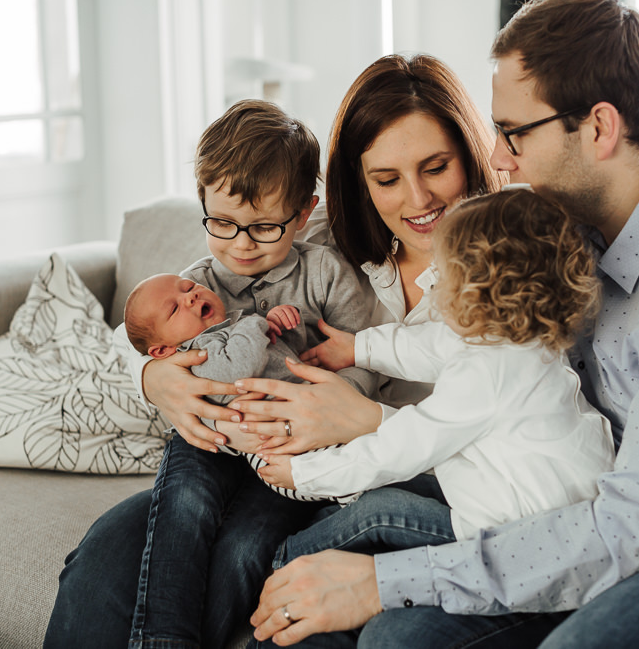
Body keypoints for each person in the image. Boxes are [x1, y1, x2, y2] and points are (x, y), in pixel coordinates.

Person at [236, 0, 639, 647]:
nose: (497, 158)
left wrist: (384, 579)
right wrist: (165, 367)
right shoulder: (556, 224)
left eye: (514, 132)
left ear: (600, 128)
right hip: (579, 504)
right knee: (399, 636)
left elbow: (628, 528)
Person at [44, 55, 501, 648]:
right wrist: (155, 375)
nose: (416, 198)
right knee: (105, 554)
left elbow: (507, 418)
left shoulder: (509, 265)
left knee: (246, 551)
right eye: (386, 179)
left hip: (367, 476)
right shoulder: (312, 241)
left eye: (436, 167)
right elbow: (156, 313)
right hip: (245, 449)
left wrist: (357, 416)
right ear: (358, 181)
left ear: (470, 153)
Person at [259, 188, 614, 568]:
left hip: (516, 540)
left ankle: (280, 564)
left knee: (378, 510)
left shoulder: (486, 374)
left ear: (474, 292)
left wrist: (305, 474)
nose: (432, 282)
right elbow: (432, 345)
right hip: (551, 509)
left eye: (442, 274)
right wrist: (359, 348)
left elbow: (401, 446)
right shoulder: (520, 341)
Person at [123, 272, 355, 503]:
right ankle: (351, 494)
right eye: (173, 310)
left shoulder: (234, 327)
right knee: (335, 473)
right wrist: (257, 323)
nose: (191, 297)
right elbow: (239, 368)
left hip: (309, 415)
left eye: (189, 287)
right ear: (163, 351)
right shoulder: (200, 353)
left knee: (353, 459)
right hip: (277, 446)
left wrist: (283, 327)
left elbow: (289, 357)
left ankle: (353, 491)